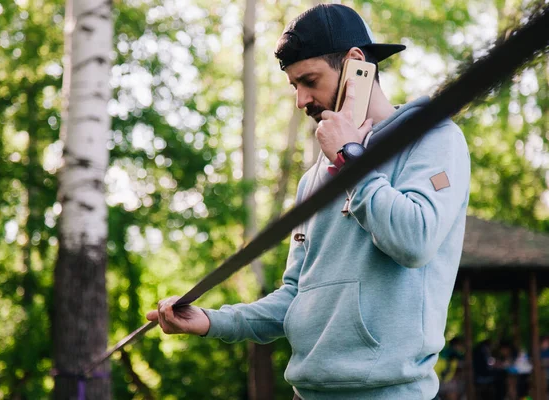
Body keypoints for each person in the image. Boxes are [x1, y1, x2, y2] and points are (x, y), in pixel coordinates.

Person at [146, 4, 471, 400]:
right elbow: (297, 297)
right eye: (293, 86)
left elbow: (414, 240)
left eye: (310, 80)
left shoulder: (432, 137)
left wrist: (349, 158)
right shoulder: (313, 181)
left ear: (356, 64)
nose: (301, 100)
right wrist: (213, 322)